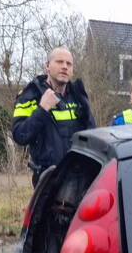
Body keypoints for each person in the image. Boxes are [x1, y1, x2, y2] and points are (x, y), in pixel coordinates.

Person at [12, 47, 95, 187]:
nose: (64, 67)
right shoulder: (31, 95)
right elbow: (20, 135)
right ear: (47, 66)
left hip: (79, 178)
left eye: (69, 64)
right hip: (47, 180)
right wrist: (42, 109)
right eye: (59, 62)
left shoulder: (78, 96)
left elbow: (92, 135)